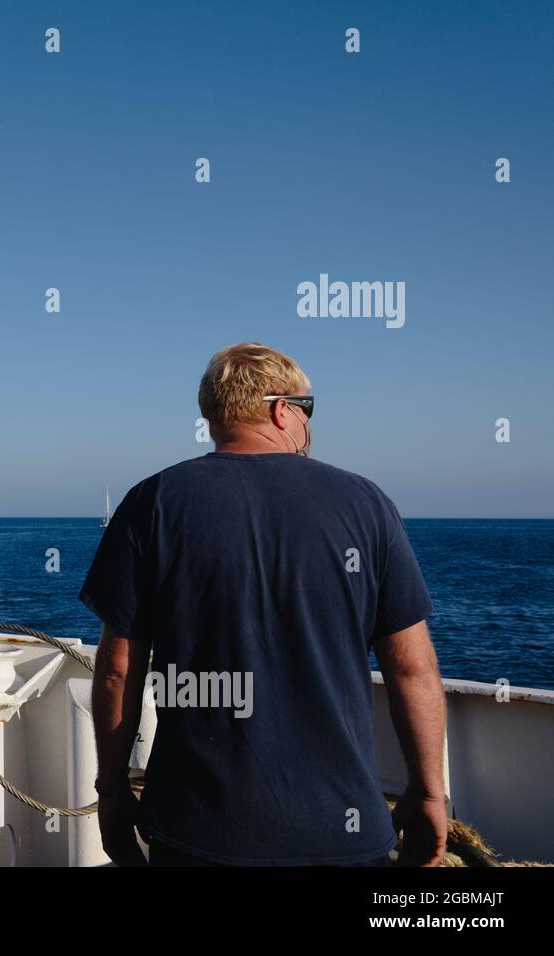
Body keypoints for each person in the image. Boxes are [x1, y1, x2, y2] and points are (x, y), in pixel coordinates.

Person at [81, 342, 447, 866]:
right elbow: (412, 668)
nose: (308, 425)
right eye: (308, 410)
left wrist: (113, 792)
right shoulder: (367, 504)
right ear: (282, 410)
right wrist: (429, 793)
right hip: (341, 833)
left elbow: (119, 672)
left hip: (194, 831)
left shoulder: (152, 502)